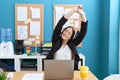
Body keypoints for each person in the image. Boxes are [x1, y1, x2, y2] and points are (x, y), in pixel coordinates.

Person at [46, 5, 88, 70]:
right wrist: (73, 10)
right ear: (62, 31)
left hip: (69, 71)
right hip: (54, 70)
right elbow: (59, 25)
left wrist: (82, 14)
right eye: (65, 31)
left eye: (69, 33)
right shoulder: (56, 41)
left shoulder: (73, 44)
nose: (66, 33)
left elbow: (83, 32)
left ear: (70, 37)